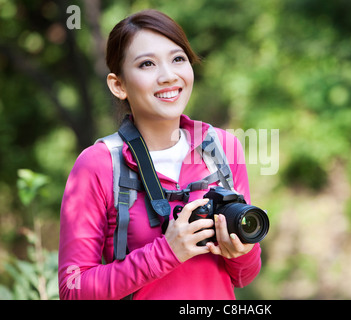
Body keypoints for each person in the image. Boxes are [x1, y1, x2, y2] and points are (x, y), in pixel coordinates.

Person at [58, 9, 262, 300]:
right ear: (119, 85)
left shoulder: (224, 149)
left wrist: (242, 252)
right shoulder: (98, 165)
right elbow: (72, 288)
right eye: (147, 64)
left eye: (178, 59)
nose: (168, 76)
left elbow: (244, 275)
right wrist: (166, 253)